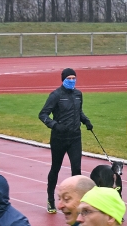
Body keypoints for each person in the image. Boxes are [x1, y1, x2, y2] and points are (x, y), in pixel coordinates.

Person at [39, 67, 94, 214]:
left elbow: (78, 111)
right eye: (68, 78)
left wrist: (86, 121)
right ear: (63, 79)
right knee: (55, 168)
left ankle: (77, 201)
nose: (72, 81)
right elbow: (43, 114)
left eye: (73, 78)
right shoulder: (56, 95)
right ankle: (51, 199)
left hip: (75, 137)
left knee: (76, 170)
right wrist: (55, 125)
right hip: (59, 138)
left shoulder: (78, 94)